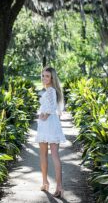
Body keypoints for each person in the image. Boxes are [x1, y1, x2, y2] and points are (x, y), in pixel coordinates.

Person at [35, 67, 66, 198]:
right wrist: (44, 114)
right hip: (51, 124)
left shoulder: (51, 90)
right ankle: (47, 182)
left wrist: (44, 115)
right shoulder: (50, 90)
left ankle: (56, 185)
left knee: (49, 155)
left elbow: (52, 107)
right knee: (49, 154)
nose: (44, 78)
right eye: (42, 76)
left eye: (47, 76)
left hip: (48, 123)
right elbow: (53, 107)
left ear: (52, 78)